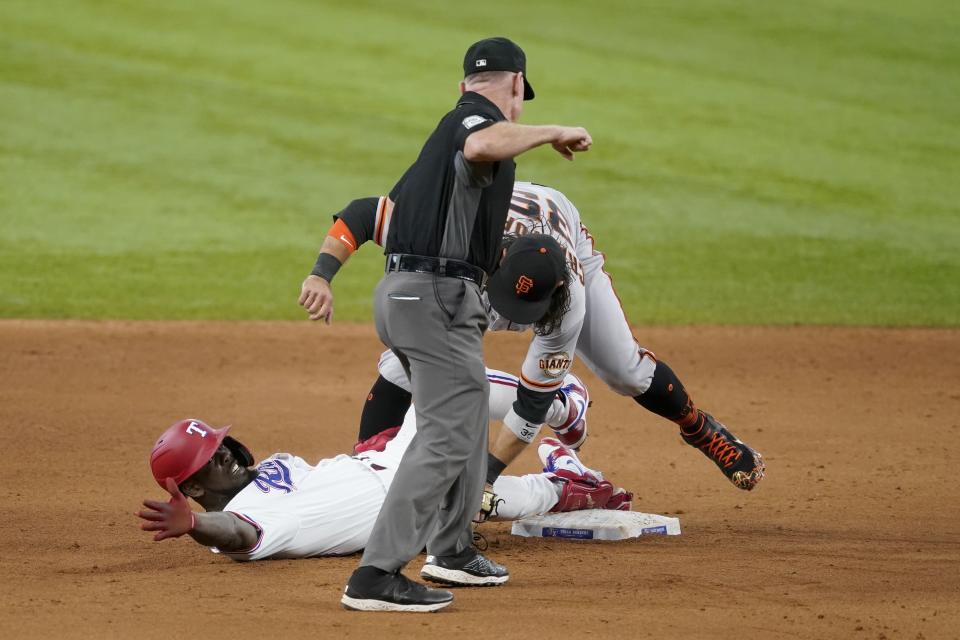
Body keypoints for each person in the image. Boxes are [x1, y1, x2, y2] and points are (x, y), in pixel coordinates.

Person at [299, 37, 592, 611]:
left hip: (406, 297)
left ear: (464, 83)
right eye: (522, 101)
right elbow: (485, 142)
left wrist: (323, 272)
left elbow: (371, 211)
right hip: (436, 297)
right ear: (515, 88)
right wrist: (552, 132)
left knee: (464, 407)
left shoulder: (436, 153)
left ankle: (452, 550)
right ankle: (377, 575)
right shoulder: (474, 124)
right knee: (444, 434)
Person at [303, 182, 765, 507]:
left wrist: (485, 477)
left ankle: (699, 426)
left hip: (565, 232)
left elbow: (531, 402)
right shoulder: (455, 233)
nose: (513, 320)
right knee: (406, 361)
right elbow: (364, 214)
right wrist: (321, 274)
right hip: (491, 245)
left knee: (627, 371)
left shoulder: (569, 302)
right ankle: (370, 458)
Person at [136, 373, 631, 569]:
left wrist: (372, 448)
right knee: (448, 381)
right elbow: (238, 535)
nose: (226, 454)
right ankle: (560, 407)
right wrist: (197, 525)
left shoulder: (268, 469)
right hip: (407, 503)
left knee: (401, 363)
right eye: (212, 459)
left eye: (221, 445)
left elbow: (328, 480)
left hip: (393, 464)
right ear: (194, 486)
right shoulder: (251, 516)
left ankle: (567, 481)